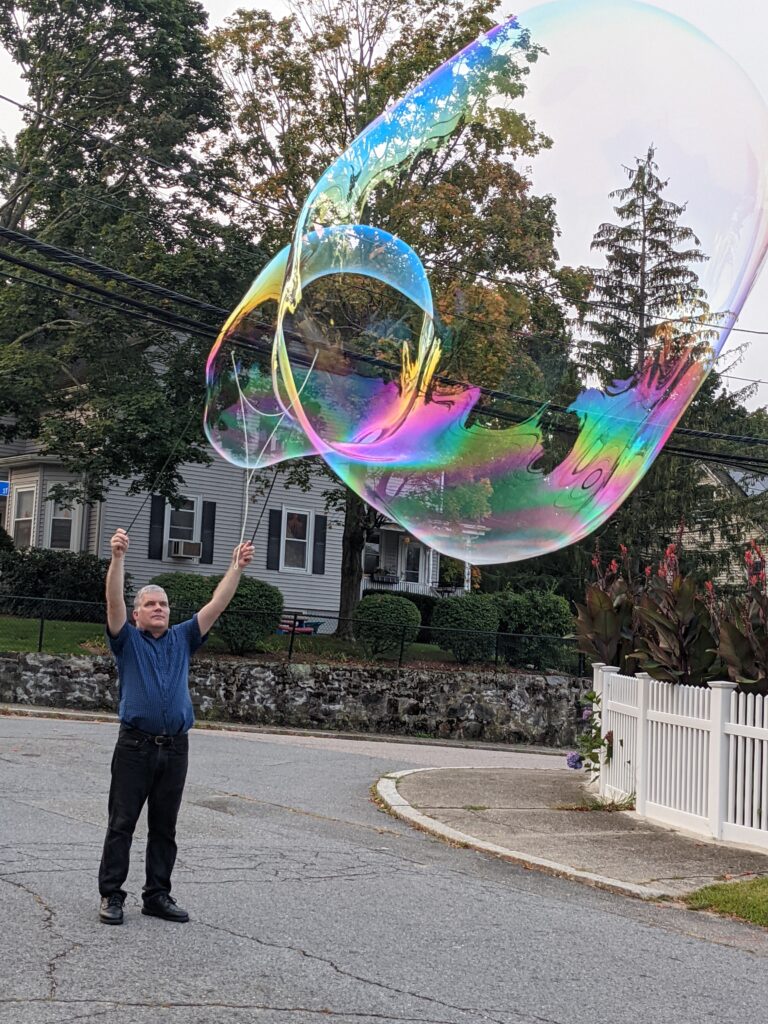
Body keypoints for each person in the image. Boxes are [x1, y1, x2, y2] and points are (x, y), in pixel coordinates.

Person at [98, 527, 254, 925]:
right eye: (150, 604)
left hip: (175, 747)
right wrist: (118, 558)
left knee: (164, 827)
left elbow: (217, 604)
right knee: (122, 824)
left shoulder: (183, 637)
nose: (159, 609)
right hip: (135, 746)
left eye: (163, 604)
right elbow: (113, 601)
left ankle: (157, 895)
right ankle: (112, 895)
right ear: (137, 614)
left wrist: (235, 567)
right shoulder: (127, 640)